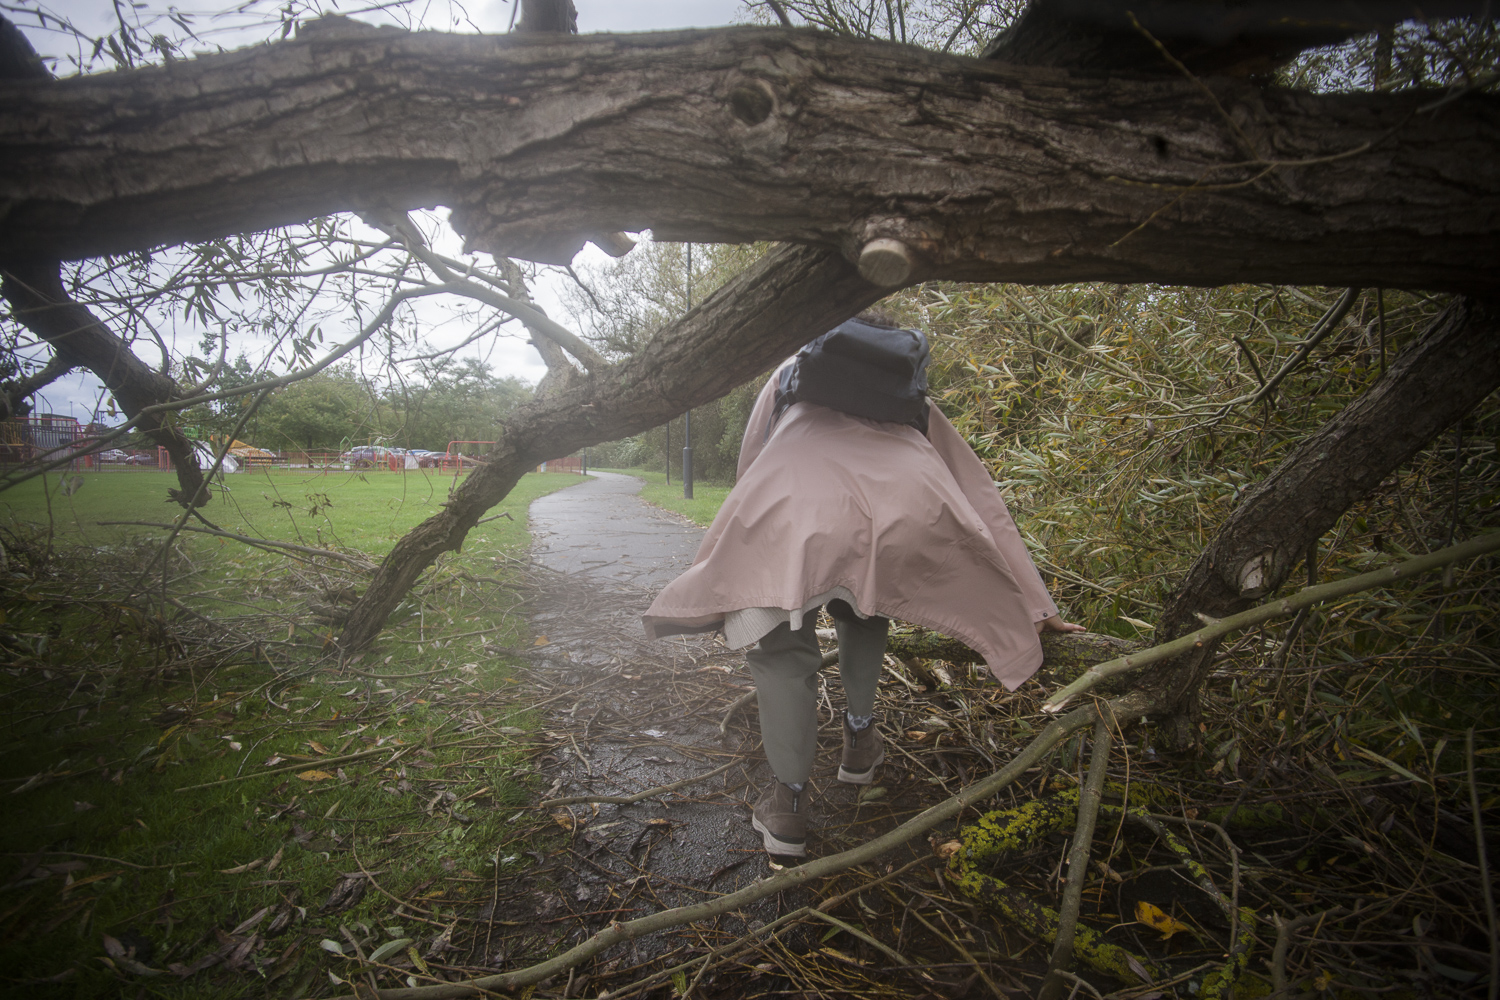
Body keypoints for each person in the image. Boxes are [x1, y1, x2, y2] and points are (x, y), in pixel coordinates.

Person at [643, 310, 1082, 856]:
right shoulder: (905, 386)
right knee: (868, 605)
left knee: (782, 647)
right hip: (903, 514)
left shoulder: (792, 369)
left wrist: (755, 553)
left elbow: (755, 459)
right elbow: (980, 494)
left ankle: (789, 807)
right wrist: (1037, 604)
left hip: (794, 503)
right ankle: (859, 741)